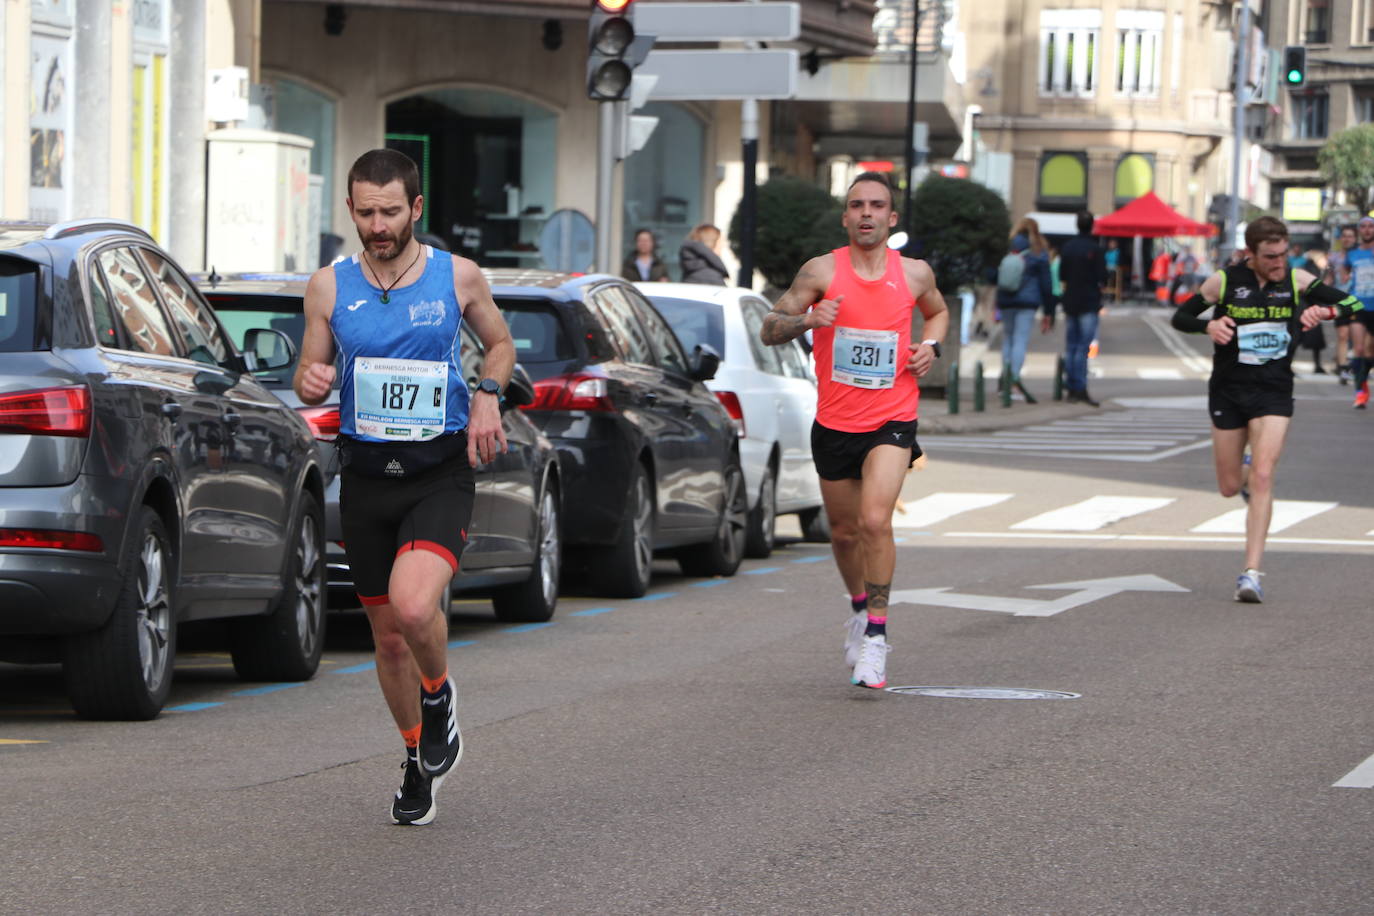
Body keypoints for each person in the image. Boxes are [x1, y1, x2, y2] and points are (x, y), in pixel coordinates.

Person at [294, 149, 515, 825]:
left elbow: (500, 346)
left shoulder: (459, 277)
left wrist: (487, 395)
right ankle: (418, 756)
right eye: (366, 212)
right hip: (366, 476)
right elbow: (311, 361)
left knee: (414, 607)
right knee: (387, 640)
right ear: (353, 211)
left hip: (437, 472)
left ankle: (441, 694)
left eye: (391, 211)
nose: (379, 224)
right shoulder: (329, 287)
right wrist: (309, 377)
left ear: (415, 209)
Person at [758, 170, 949, 689]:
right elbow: (770, 327)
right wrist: (809, 321)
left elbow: (937, 313)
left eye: (876, 205)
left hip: (893, 416)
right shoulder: (820, 271)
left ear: (891, 218)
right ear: (845, 217)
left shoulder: (913, 274)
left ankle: (878, 639)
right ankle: (860, 610)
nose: (866, 213)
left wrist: (930, 347)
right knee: (842, 534)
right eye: (856, 204)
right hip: (834, 420)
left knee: (873, 520)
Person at [1170, 215, 1361, 603]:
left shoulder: (1297, 280)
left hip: (1273, 391)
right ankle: (1243, 471)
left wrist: (1323, 312)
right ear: (1251, 255)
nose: (1279, 264)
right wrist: (1207, 327)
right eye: (1270, 257)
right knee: (1229, 486)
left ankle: (1251, 573)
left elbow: (1353, 303)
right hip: (1228, 390)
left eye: (1284, 254)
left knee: (1262, 476)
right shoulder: (1223, 282)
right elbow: (1181, 317)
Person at [1048, 210, 1108, 406]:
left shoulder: (1068, 248)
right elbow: (1102, 276)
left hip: (1071, 300)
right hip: (1089, 301)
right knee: (1083, 346)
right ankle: (1080, 387)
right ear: (1092, 226)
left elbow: (1063, 275)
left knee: (1072, 345)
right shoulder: (1095, 249)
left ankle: (1071, 386)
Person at [997, 217, 1054, 403]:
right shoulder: (1039, 251)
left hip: (1006, 300)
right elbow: (1046, 283)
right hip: (1027, 302)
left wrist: (996, 304)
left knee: (1008, 339)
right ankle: (1014, 381)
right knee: (1020, 341)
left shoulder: (1009, 247)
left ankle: (1004, 381)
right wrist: (1049, 310)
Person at [1344, 215, 1374, 407]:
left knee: (1371, 354)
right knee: (1359, 349)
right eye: (1363, 227)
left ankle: (1363, 380)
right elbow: (1346, 276)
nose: (1367, 230)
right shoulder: (1352, 255)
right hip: (1358, 305)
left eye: (1370, 226)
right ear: (1358, 231)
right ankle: (1360, 393)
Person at [1325, 224, 1357, 383]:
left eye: (1350, 236)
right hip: (1340, 300)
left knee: (1358, 337)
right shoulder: (1334, 258)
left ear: (1355, 238)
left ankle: (1355, 364)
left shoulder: (1362, 255)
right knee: (1343, 335)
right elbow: (1329, 278)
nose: (1347, 239)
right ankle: (1343, 368)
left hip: (1359, 300)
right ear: (1340, 238)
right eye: (1344, 236)